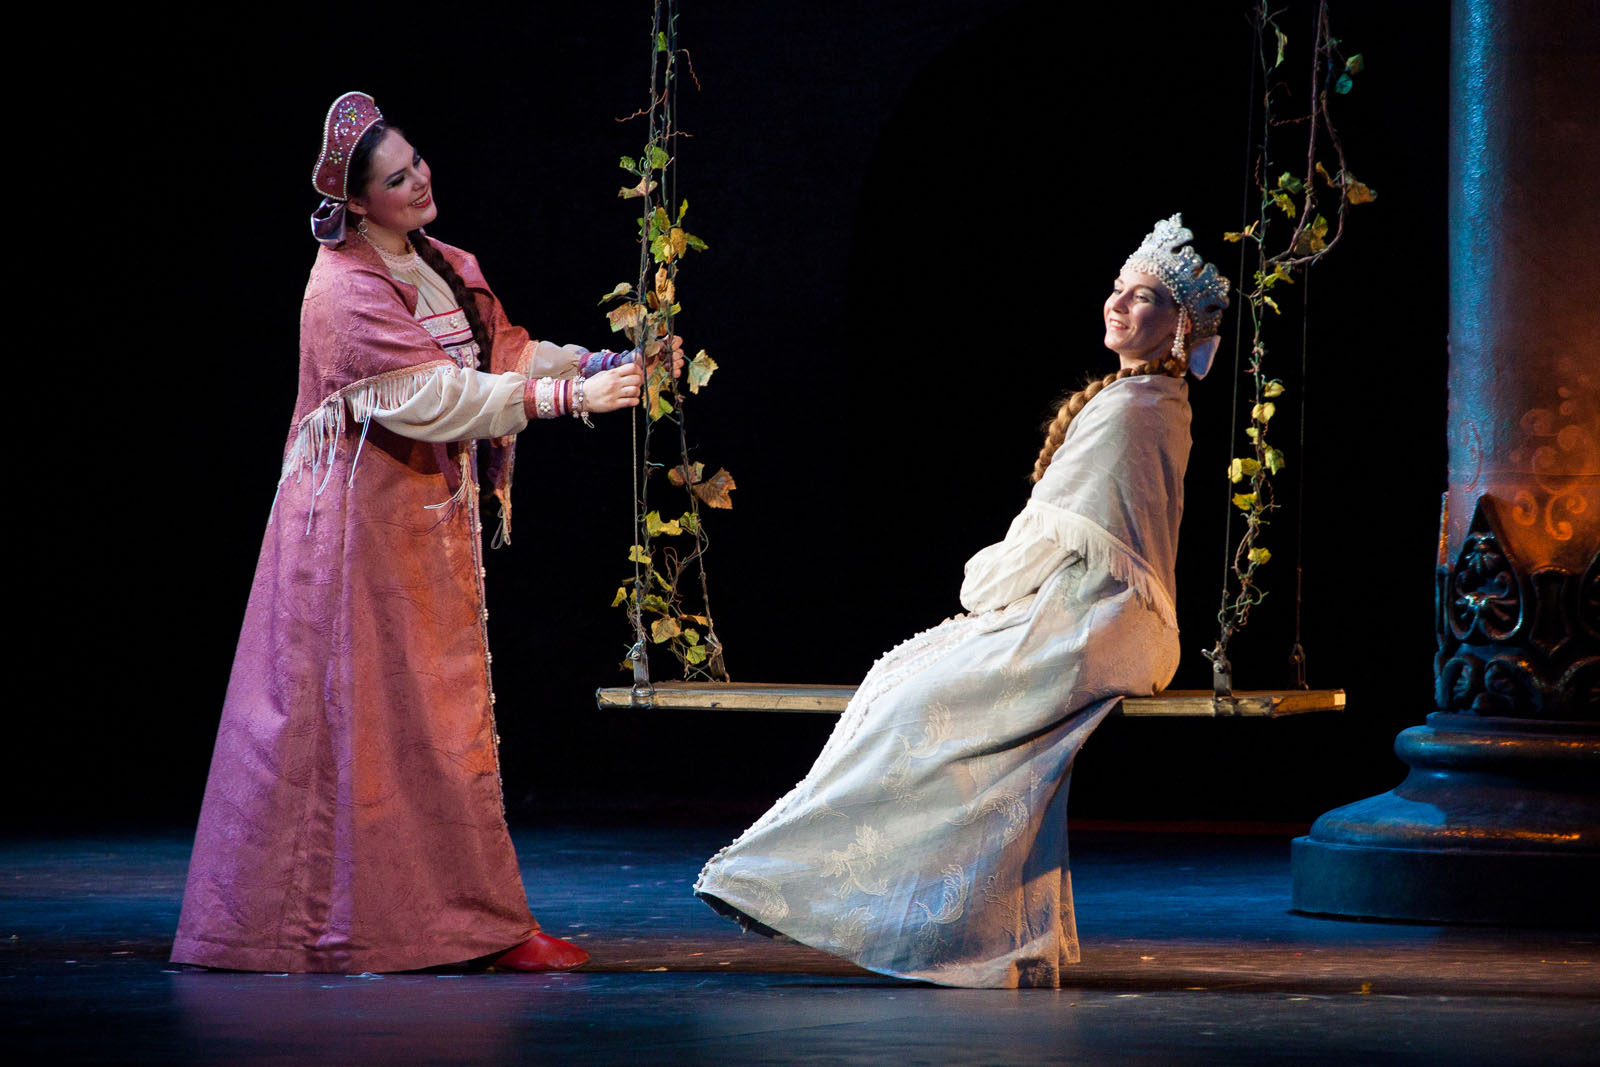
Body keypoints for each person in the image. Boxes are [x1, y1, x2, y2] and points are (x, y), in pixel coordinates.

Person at [171, 91, 667, 974]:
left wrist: (598, 363)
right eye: (397, 180)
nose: (420, 181)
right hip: (353, 538)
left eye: (418, 163)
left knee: (439, 720)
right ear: (359, 203)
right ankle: (328, 925)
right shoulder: (341, 292)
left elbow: (496, 352)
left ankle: (474, 922)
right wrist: (566, 398)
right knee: (362, 723)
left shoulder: (444, 263)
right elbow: (430, 394)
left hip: (425, 525)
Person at [694, 214, 1229, 989]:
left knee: (920, 701)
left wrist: (985, 583)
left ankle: (803, 885)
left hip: (1102, 622)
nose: (1118, 304)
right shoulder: (1146, 397)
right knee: (909, 681)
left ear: (1179, 324)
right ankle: (966, 923)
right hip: (1102, 616)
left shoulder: (1134, 407)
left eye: (1142, 296)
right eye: (1117, 289)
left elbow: (1049, 541)